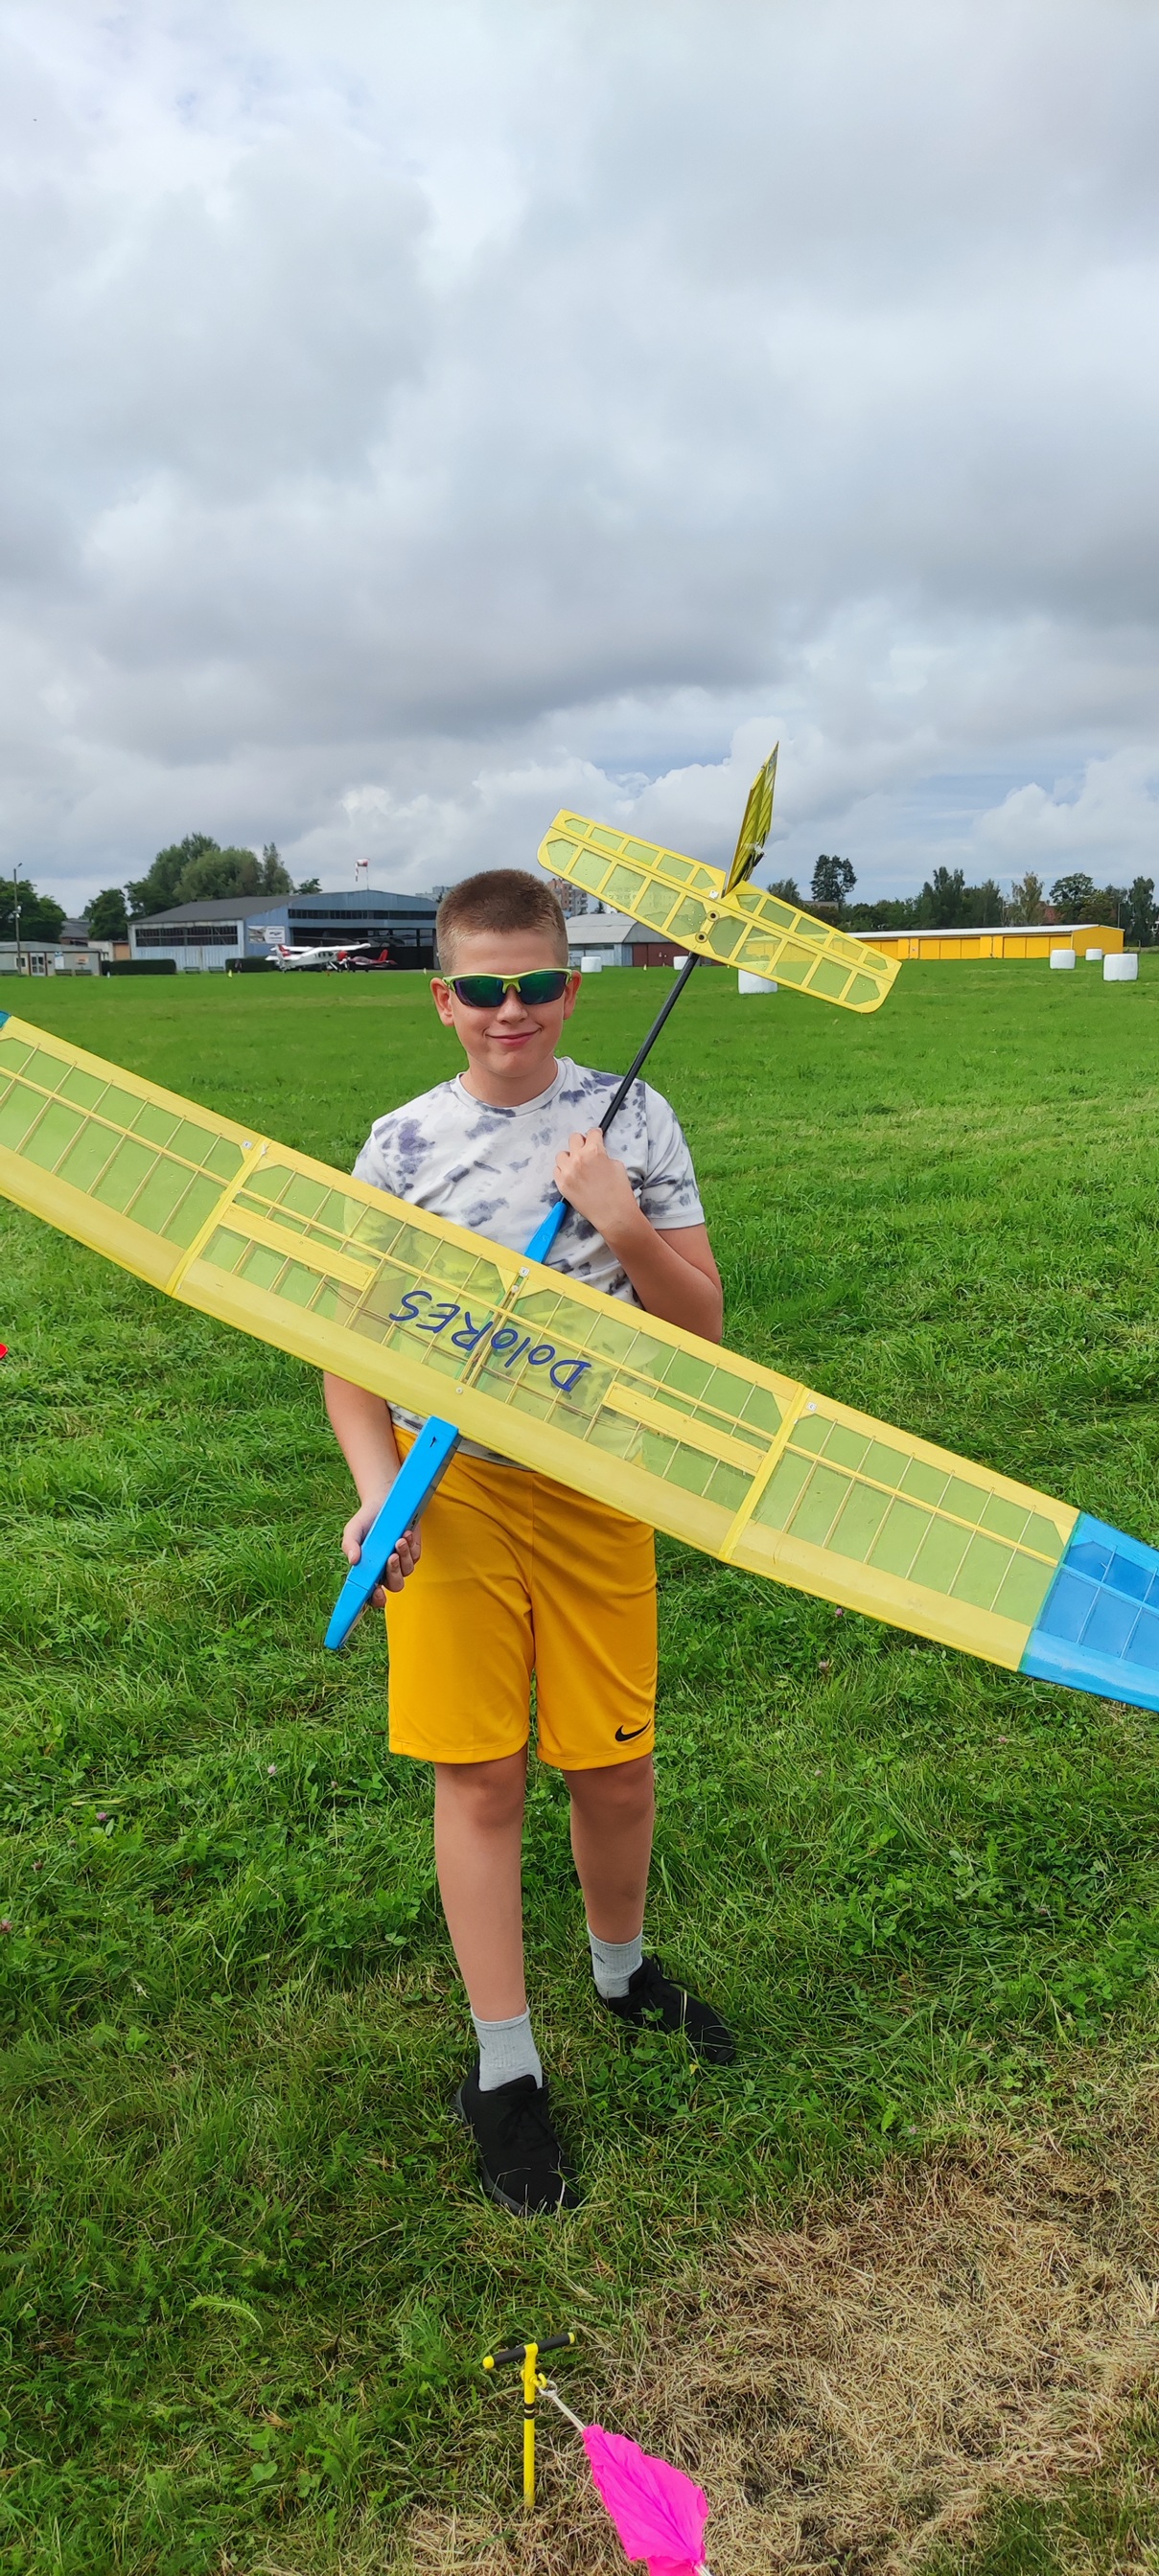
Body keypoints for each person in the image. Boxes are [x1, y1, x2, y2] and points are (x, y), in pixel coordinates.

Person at [324, 869, 735, 2217]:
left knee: (612, 1769)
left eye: (538, 984)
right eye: (485, 989)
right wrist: (379, 1492)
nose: (514, 1011)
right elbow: (348, 1355)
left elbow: (700, 1328)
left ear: (573, 985)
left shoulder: (633, 1116)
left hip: (600, 1485)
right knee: (482, 1773)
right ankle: (503, 2067)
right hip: (451, 1492)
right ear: (442, 999)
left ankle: (622, 1971)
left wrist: (617, 1215)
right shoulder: (400, 1148)